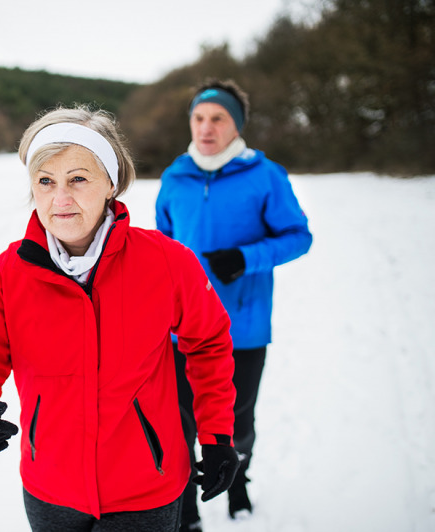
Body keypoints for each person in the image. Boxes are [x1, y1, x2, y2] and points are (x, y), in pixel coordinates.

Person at [0, 105, 241, 532]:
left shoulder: (166, 261)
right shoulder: (8, 274)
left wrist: (217, 436)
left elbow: (209, 343)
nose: (59, 199)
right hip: (51, 490)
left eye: (78, 179)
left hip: (148, 489)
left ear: (111, 182)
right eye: (45, 181)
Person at [155, 79, 313, 531]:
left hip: (241, 325)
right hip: (179, 328)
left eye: (217, 118)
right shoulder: (175, 177)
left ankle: (238, 478)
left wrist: (246, 258)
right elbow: (163, 245)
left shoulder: (265, 176)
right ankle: (186, 508)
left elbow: (299, 237)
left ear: (236, 125)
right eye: (199, 118)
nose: (206, 127)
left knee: (236, 422)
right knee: (178, 424)